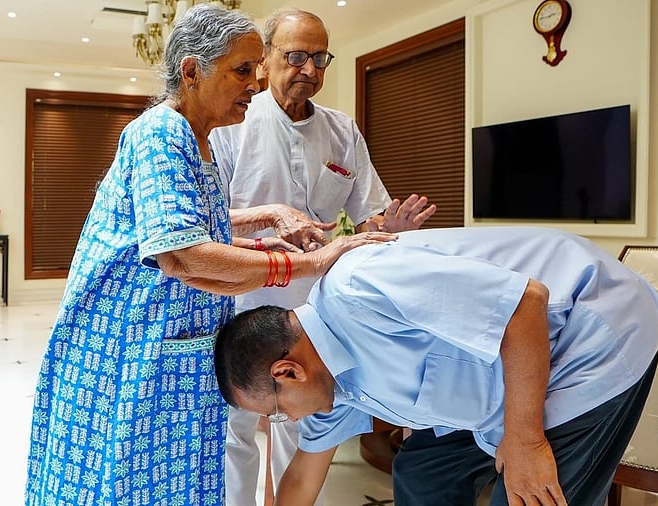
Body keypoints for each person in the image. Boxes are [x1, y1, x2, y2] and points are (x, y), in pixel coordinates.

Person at [23, 5, 396, 505]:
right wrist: (306, 262)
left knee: (181, 473)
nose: (255, 84)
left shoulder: (200, 142)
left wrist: (269, 241)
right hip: (128, 346)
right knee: (128, 477)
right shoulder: (160, 133)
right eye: (242, 70)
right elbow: (183, 256)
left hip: (178, 343)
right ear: (193, 72)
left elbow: (198, 236)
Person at [214, 226, 658, 506]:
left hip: (589, 329)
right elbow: (300, 481)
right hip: (506, 382)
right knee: (423, 475)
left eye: (275, 412)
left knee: (526, 494)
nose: (286, 420)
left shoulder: (359, 287)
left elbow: (526, 304)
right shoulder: (330, 390)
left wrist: (525, 440)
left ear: (287, 372)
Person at [208, 7, 436, 505]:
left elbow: (369, 213)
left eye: (319, 57)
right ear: (265, 61)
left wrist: (387, 227)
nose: (309, 69)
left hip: (313, 309)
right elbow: (207, 221)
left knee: (302, 420)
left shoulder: (342, 131)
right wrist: (270, 221)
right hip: (239, 300)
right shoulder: (231, 126)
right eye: (295, 56)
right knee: (235, 427)